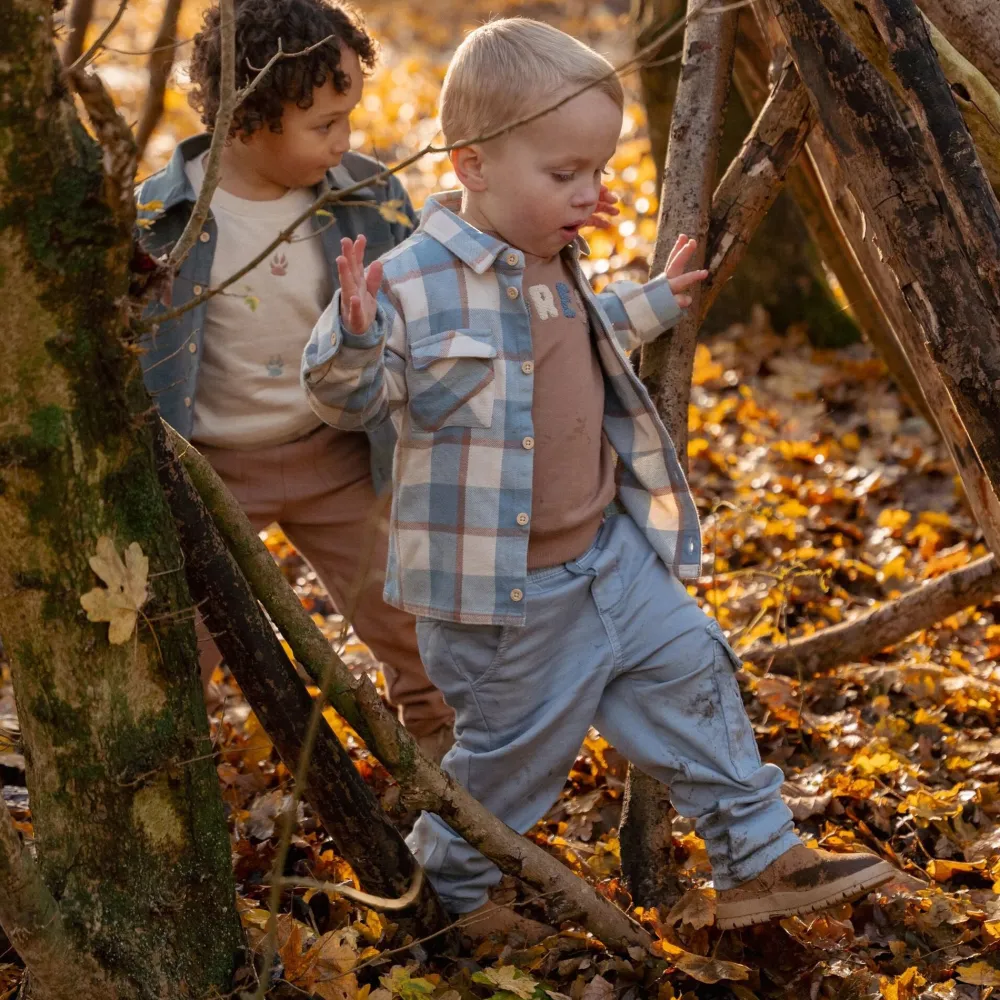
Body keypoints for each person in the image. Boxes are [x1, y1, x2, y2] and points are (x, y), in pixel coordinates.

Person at [301, 17, 898, 936]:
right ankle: (442, 900)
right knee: (511, 764)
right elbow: (351, 399)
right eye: (564, 174)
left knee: (695, 671)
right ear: (472, 164)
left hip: (609, 557)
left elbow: (576, 339)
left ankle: (760, 855)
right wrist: (349, 332)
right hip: (506, 600)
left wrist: (655, 300)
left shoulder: (554, 258)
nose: (590, 193)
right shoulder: (409, 285)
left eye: (597, 171)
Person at [136, 0, 455, 762]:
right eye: (324, 125)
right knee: (178, 646)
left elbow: (429, 288)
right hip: (206, 471)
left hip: (340, 454)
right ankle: (169, 788)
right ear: (248, 117)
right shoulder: (157, 217)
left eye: (349, 116)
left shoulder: (365, 194)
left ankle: (456, 783)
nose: (345, 141)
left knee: (415, 625)